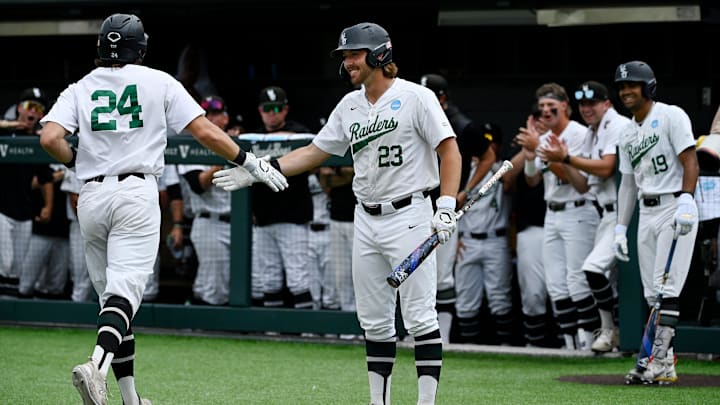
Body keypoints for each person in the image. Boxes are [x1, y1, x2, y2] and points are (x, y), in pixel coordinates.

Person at [38, 13, 287, 405]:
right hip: (136, 193)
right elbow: (204, 131)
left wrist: (74, 162)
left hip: (91, 195)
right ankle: (96, 367)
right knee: (124, 297)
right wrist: (248, 160)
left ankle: (131, 399)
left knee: (114, 306)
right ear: (140, 47)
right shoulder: (159, 80)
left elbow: (49, 137)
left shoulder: (80, 87)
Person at [214, 22, 462, 405]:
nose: (347, 62)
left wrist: (445, 204)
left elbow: (450, 150)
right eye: (345, 56)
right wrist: (262, 168)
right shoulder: (349, 105)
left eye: (354, 54)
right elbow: (315, 152)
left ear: (380, 54)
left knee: (420, 319)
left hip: (411, 213)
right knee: (375, 322)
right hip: (365, 218)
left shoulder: (417, 97)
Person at [612, 61, 699, 385]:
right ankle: (664, 364)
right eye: (621, 87)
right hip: (645, 212)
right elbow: (628, 183)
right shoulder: (626, 130)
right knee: (652, 294)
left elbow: (689, 160)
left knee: (667, 290)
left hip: (674, 207)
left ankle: (656, 360)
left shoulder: (671, 115)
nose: (626, 91)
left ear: (648, 86)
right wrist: (621, 227)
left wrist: (687, 199)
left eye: (632, 85)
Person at [536, 80, 630, 352]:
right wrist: (558, 160)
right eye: (584, 104)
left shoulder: (615, 125)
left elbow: (606, 168)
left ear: (607, 104)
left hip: (628, 212)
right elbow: (584, 184)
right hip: (607, 213)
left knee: (593, 272)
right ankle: (611, 332)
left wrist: (565, 157)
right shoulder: (592, 132)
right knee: (594, 276)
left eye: (593, 103)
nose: (587, 108)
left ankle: (612, 331)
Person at [419, 73, 496, 344]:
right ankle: (415, 333)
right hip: (415, 205)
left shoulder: (461, 126)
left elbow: (488, 156)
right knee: (413, 272)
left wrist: (464, 191)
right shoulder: (414, 118)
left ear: (442, 98)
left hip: (444, 206)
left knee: (442, 276)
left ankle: (444, 338)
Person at [524, 82, 600, 351]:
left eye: (551, 106)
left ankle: (590, 342)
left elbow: (580, 183)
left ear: (565, 106)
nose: (545, 110)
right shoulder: (542, 138)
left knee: (577, 281)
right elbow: (532, 179)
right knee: (556, 284)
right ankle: (569, 346)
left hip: (578, 209)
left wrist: (545, 153)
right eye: (542, 106)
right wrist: (532, 152)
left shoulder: (580, 134)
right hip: (552, 213)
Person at [247, 86, 314, 309]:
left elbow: (310, 146)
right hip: (264, 219)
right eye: (267, 108)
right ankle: (271, 330)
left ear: (286, 109)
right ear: (259, 110)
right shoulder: (252, 137)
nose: (272, 113)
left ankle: (307, 331)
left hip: (293, 218)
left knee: (299, 278)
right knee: (269, 278)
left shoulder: (299, 132)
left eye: (277, 108)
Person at [453, 122, 516, 345]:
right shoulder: (463, 169)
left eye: (491, 142)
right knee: (466, 301)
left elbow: (509, 181)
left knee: (499, 298)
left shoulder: (500, 169)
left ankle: (506, 349)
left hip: (495, 240)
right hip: (467, 240)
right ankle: (469, 350)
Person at [178, 95, 234, 306]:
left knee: (252, 280)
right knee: (215, 286)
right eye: (207, 114)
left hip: (238, 223)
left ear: (226, 118)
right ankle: (212, 330)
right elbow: (198, 184)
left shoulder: (238, 142)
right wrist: (228, 153)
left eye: (216, 113)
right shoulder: (190, 144)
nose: (211, 118)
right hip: (209, 222)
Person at [0, 88, 54, 297]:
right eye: (29, 106)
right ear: (19, 109)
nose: (33, 112)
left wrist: (48, 205)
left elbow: (45, 177)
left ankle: (11, 312)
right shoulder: (6, 131)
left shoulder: (40, 140)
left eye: (38, 108)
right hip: (2, 211)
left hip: (24, 213)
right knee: (4, 262)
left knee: (17, 268)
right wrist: (15, 124)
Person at [509, 104, 552, 347]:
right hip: (531, 226)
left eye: (548, 114)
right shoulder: (521, 142)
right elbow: (506, 178)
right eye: (537, 114)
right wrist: (531, 145)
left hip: (567, 220)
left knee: (565, 291)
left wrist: (543, 143)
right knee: (533, 294)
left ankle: (574, 346)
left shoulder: (572, 137)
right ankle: (534, 347)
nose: (543, 118)